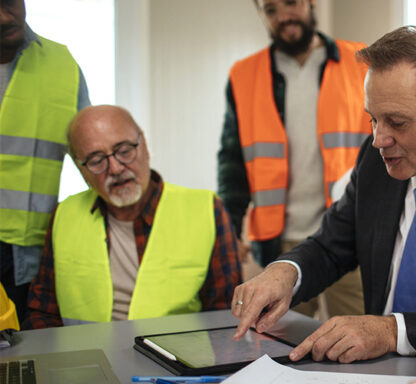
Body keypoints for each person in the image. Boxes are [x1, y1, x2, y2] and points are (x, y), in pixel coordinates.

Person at [231, 26, 416, 364]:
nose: (379, 139)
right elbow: (331, 245)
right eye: (373, 120)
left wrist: (392, 331)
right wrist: (286, 272)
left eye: (397, 122)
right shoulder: (378, 161)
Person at [24, 105, 242, 329]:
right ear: (82, 170)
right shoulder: (64, 214)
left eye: (125, 150)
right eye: (97, 160)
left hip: (175, 359)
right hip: (81, 357)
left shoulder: (206, 209)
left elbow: (225, 316)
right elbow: (43, 311)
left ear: (144, 145)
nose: (116, 168)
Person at [218, 0, 369, 320]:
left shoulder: (361, 63)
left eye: (290, 3)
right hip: (280, 244)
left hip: (350, 236)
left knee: (360, 343)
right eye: (271, 9)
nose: (283, 16)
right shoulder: (244, 75)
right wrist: (229, 229)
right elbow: (233, 161)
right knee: (278, 344)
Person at [0, 0, 90, 325]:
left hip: (27, 253)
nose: (3, 16)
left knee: (23, 358)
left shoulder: (61, 64)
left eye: (9, 2)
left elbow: (91, 155)